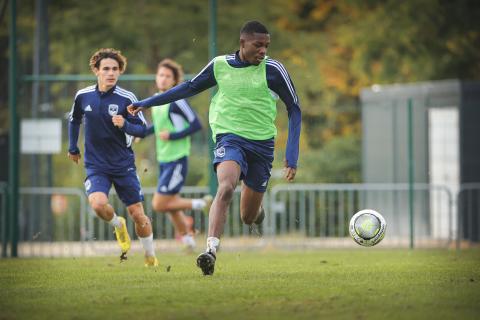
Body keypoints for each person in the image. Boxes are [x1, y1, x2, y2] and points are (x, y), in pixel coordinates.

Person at [128, 21, 301, 275]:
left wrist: (291, 156)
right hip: (229, 138)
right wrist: (146, 102)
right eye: (258, 45)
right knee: (226, 185)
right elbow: (188, 87)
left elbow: (294, 108)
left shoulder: (273, 70)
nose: (263, 50)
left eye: (266, 45)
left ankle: (257, 211)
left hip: (262, 145)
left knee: (248, 216)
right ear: (242, 44)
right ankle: (210, 251)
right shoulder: (220, 65)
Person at [68, 48, 158, 267]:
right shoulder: (83, 96)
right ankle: (118, 224)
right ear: (96, 71)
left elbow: (143, 130)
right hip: (96, 165)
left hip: (123, 165)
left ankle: (150, 256)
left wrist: (125, 124)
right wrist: (72, 147)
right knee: (98, 204)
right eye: (106, 69)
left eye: (115, 69)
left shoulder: (127, 98)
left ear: (120, 72)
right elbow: (74, 120)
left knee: (138, 214)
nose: (111, 73)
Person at [144, 59, 212, 250]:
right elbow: (157, 127)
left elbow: (197, 124)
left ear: (174, 81)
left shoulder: (177, 100)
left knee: (159, 204)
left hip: (177, 159)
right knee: (170, 204)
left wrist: (173, 136)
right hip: (164, 160)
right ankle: (189, 241)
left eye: (168, 76)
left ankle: (202, 203)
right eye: (160, 75)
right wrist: (141, 134)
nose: (163, 79)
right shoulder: (157, 100)